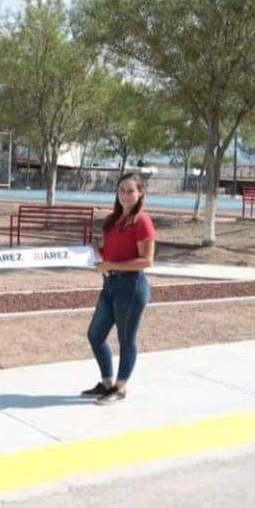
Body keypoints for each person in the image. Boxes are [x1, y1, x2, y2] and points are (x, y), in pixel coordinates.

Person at [82, 172, 155, 404]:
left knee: (126, 339)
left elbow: (147, 260)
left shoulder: (142, 221)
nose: (125, 195)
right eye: (121, 190)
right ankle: (106, 383)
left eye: (130, 190)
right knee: (95, 335)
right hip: (110, 285)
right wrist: (92, 252)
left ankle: (120, 387)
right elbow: (106, 251)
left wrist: (110, 264)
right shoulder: (112, 220)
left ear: (140, 193)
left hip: (131, 287)